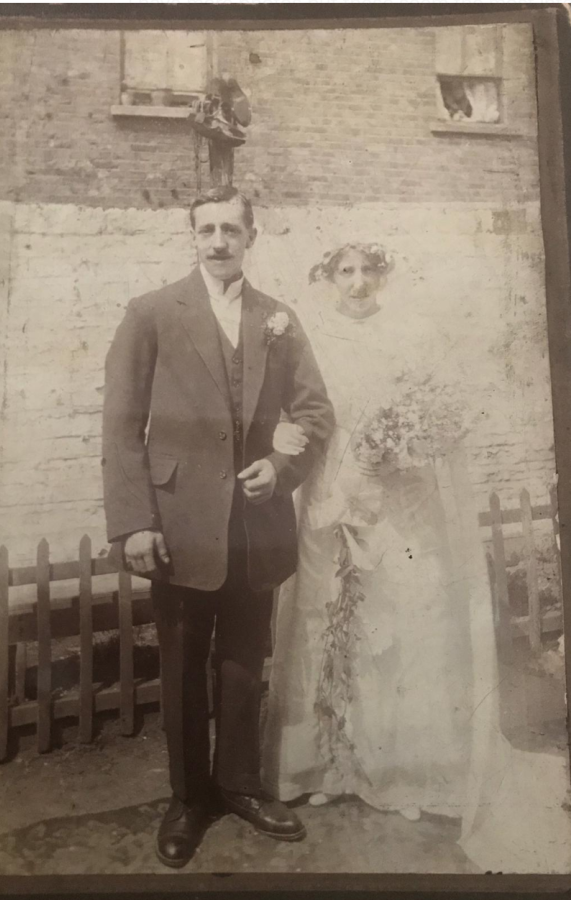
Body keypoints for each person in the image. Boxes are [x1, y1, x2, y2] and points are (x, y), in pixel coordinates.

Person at [263, 243, 571, 873]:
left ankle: (404, 770)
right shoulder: (308, 338)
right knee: (331, 623)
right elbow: (292, 408)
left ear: (382, 275)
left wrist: (405, 445)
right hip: (330, 488)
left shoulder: (407, 333)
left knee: (402, 624)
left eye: (366, 271)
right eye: (343, 272)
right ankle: (335, 762)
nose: (356, 283)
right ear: (327, 278)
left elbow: (431, 411)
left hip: (397, 493)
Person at [101, 186, 335, 868]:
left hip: (254, 524)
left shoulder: (278, 318)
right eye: (206, 229)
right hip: (177, 524)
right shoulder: (150, 314)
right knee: (181, 663)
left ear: (251, 235)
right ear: (193, 235)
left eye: (231, 228)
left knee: (243, 660)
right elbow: (120, 428)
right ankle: (187, 798)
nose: (218, 241)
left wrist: (279, 470)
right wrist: (135, 523)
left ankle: (239, 786)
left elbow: (315, 414)